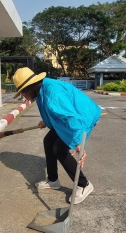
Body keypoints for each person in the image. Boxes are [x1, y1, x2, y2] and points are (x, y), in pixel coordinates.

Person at [12, 67, 101, 204]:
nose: (24, 96)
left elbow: (70, 117)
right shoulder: (42, 88)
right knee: (49, 141)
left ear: (29, 87)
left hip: (82, 118)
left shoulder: (52, 93)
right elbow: (54, 111)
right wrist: (47, 122)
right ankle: (53, 180)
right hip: (74, 116)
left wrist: (79, 142)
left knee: (59, 149)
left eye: (23, 92)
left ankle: (84, 185)